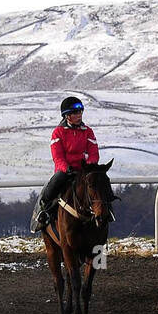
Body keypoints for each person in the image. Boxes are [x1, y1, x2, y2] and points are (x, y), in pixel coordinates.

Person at [33, 96, 100, 230]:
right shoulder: (58, 132)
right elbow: (57, 157)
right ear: (67, 115)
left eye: (81, 111)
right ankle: (44, 211)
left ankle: (107, 211)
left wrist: (89, 166)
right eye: (76, 112)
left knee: (100, 184)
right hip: (65, 171)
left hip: (84, 170)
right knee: (54, 184)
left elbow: (94, 153)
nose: (79, 115)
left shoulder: (88, 131)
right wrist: (66, 168)